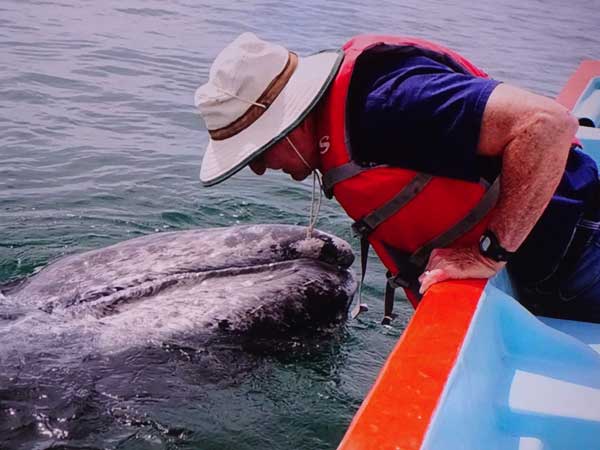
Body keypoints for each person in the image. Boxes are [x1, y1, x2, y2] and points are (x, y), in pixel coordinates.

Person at [194, 32, 600, 323]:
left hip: (580, 252)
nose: (260, 168)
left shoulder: (386, 104)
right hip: (553, 258)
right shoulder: (355, 115)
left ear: (287, 122)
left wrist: (488, 253)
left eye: (258, 151)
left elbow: (546, 125)